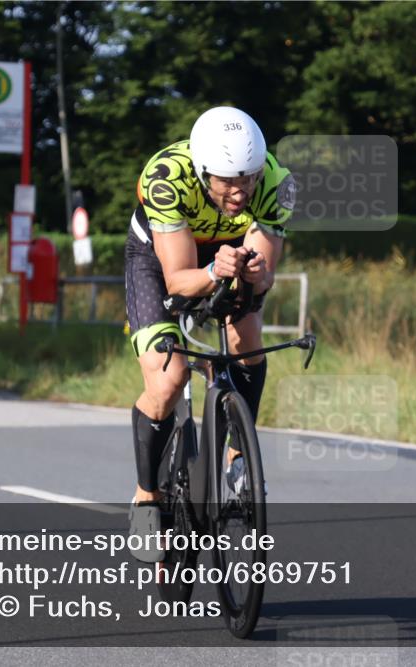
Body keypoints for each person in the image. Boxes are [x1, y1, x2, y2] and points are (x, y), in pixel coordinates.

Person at [124, 106, 295, 562]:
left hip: (227, 252)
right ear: (203, 172)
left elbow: (265, 274)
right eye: (228, 180)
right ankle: (147, 494)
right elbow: (179, 280)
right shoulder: (167, 177)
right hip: (160, 258)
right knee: (168, 379)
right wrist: (212, 271)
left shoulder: (276, 183)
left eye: (249, 178)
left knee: (246, 337)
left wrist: (254, 273)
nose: (240, 191)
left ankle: (238, 456)